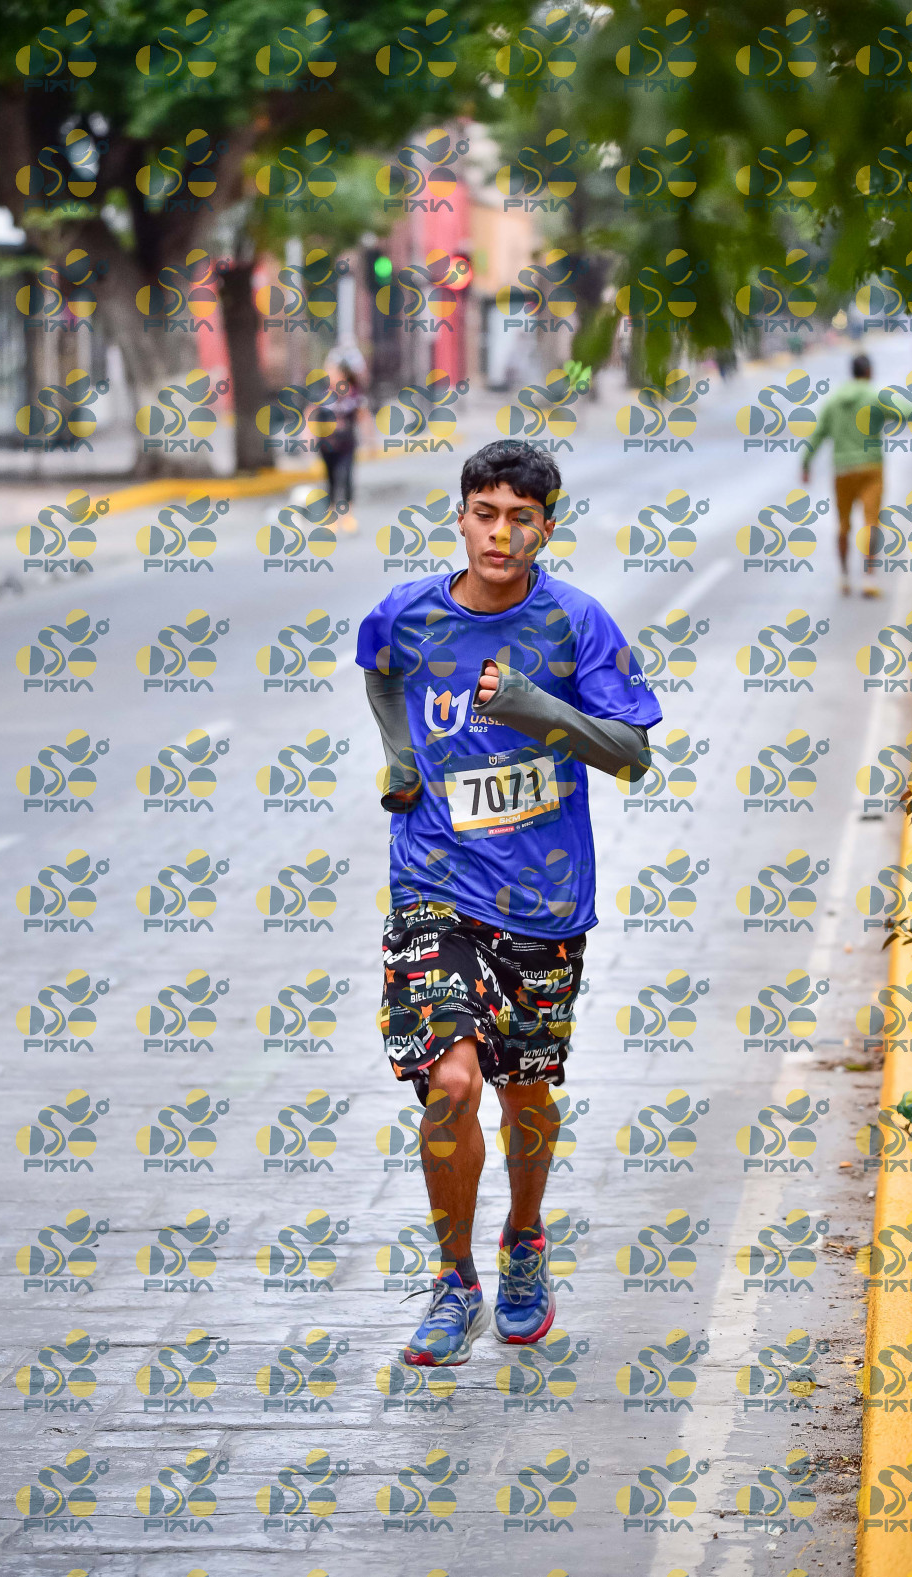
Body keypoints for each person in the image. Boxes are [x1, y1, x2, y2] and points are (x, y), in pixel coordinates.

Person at [356, 440, 662, 1366]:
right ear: (460, 518)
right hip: (434, 881)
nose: (500, 533)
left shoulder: (577, 623)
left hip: (542, 897)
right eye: (484, 514)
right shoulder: (408, 612)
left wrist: (537, 707)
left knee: (524, 1091)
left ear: (546, 528)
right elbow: (379, 666)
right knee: (451, 1082)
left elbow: (632, 754)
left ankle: (524, 1236)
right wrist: (401, 755)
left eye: (520, 518)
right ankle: (455, 1280)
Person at [800, 352, 912, 598]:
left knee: (843, 525)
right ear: (868, 372)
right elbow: (909, 412)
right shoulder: (874, 397)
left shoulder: (833, 401)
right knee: (871, 523)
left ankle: (845, 577)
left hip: (842, 470)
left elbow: (818, 434)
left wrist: (806, 463)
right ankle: (869, 577)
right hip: (871, 469)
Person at [315, 368, 363, 524]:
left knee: (347, 476)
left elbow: (363, 416)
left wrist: (371, 440)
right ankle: (331, 515)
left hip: (347, 444)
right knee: (331, 479)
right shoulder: (323, 397)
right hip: (327, 446)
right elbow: (311, 415)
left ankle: (348, 515)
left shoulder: (353, 396)